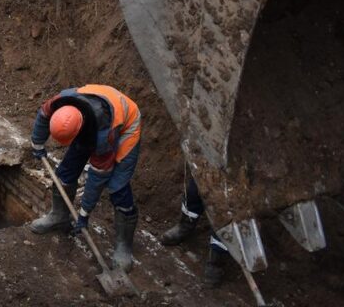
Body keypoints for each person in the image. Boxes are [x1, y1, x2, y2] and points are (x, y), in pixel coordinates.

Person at [28, 84, 142, 272]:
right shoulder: (59, 103)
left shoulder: (104, 136)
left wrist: (84, 214)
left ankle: (124, 246)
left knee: (117, 187)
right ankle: (60, 216)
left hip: (125, 123)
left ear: (80, 129)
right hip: (92, 112)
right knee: (65, 172)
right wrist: (37, 143)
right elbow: (43, 115)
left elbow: (97, 178)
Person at [159, 172, 231, 287]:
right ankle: (185, 225)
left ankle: (217, 259)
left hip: (237, 174)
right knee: (194, 190)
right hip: (213, 161)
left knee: (225, 212)